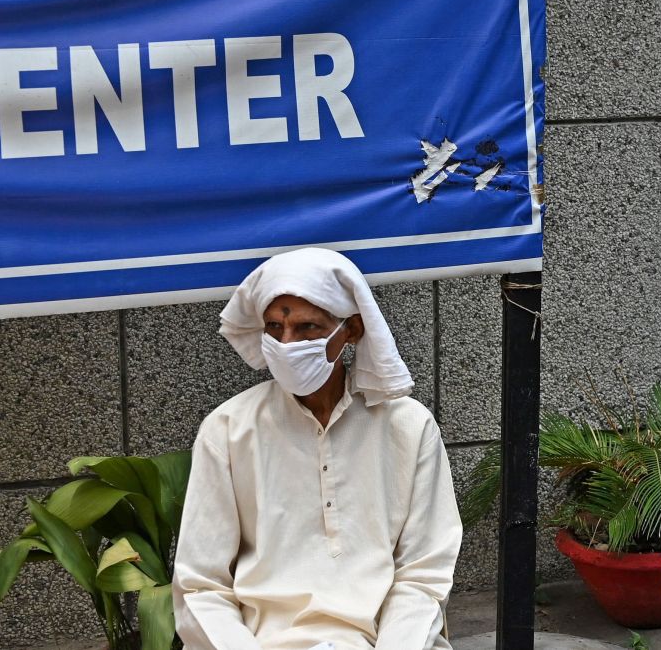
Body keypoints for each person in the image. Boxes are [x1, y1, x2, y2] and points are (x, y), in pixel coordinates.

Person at [174, 248, 460, 650]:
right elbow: (201, 585)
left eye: (307, 327)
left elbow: (422, 575)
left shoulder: (409, 426)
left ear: (352, 330)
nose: (287, 343)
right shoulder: (227, 428)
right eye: (274, 327)